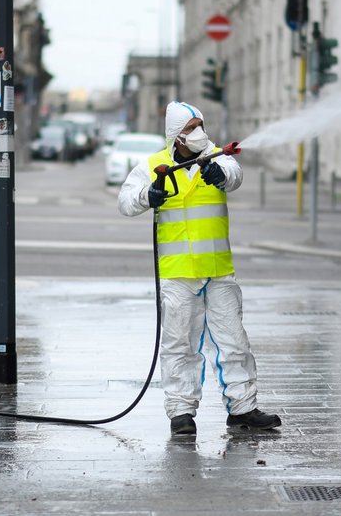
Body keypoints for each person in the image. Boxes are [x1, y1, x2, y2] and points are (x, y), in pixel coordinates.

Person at [118, 101, 281, 435]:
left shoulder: (217, 157)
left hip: (218, 270)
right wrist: (150, 195)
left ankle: (243, 409)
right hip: (178, 274)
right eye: (191, 128)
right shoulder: (154, 166)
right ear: (176, 136)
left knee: (234, 342)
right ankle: (181, 414)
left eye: (200, 125)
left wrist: (220, 175)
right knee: (179, 344)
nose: (199, 133)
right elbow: (125, 202)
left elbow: (234, 177)